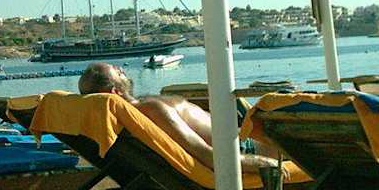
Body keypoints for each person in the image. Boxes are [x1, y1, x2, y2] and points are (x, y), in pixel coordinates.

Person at [78, 62, 277, 175]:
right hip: (243, 147)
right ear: (115, 92)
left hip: (240, 140)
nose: (122, 69)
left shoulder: (127, 115)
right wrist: (261, 162)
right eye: (117, 71)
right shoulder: (150, 109)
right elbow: (205, 154)